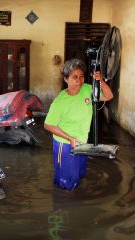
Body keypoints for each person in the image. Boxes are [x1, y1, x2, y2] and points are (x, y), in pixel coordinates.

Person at [44, 58, 113, 190]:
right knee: (66, 182)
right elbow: (48, 125)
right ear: (66, 79)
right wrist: (69, 138)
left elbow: (109, 96)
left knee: (78, 176)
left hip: (82, 142)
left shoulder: (87, 89)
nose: (79, 80)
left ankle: (73, 199)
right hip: (64, 145)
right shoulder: (60, 101)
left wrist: (101, 81)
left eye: (81, 76)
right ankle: (63, 206)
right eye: (74, 77)